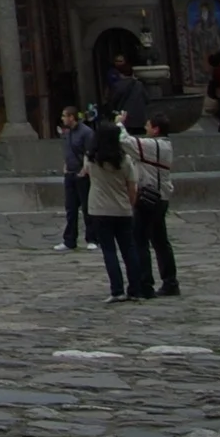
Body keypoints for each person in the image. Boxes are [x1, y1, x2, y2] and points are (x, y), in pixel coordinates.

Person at [84, 121, 152, 301]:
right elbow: (132, 187)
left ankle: (117, 290)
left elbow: (86, 174)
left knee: (109, 251)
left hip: (99, 208)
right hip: (122, 208)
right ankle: (135, 289)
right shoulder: (125, 160)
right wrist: (130, 204)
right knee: (129, 250)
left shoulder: (91, 159)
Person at [129, 117, 179, 296]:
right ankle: (169, 281)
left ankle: (146, 283)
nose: (145, 127)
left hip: (150, 198)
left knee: (141, 240)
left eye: (148, 125)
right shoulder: (165, 145)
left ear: (156, 129)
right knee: (159, 240)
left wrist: (119, 123)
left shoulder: (155, 146)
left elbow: (125, 141)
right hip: (161, 197)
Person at [55, 105, 92, 251]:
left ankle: (92, 238)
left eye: (65, 116)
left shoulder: (86, 132)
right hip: (70, 173)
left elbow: (89, 152)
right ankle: (69, 240)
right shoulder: (68, 133)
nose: (63, 119)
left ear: (72, 117)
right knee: (70, 208)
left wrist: (85, 168)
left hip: (82, 173)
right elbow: (68, 150)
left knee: (87, 207)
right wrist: (65, 165)